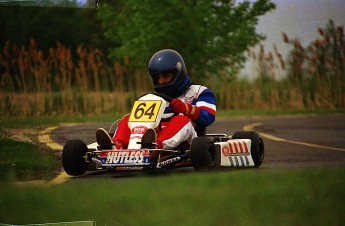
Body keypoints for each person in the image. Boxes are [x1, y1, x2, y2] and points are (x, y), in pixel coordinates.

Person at [96, 49, 216, 150]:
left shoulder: (199, 92)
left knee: (181, 120)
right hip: (154, 134)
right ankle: (116, 146)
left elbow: (208, 117)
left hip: (189, 142)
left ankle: (153, 147)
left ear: (178, 73)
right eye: (158, 78)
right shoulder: (156, 98)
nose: (161, 81)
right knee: (128, 119)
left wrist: (186, 108)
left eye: (165, 76)